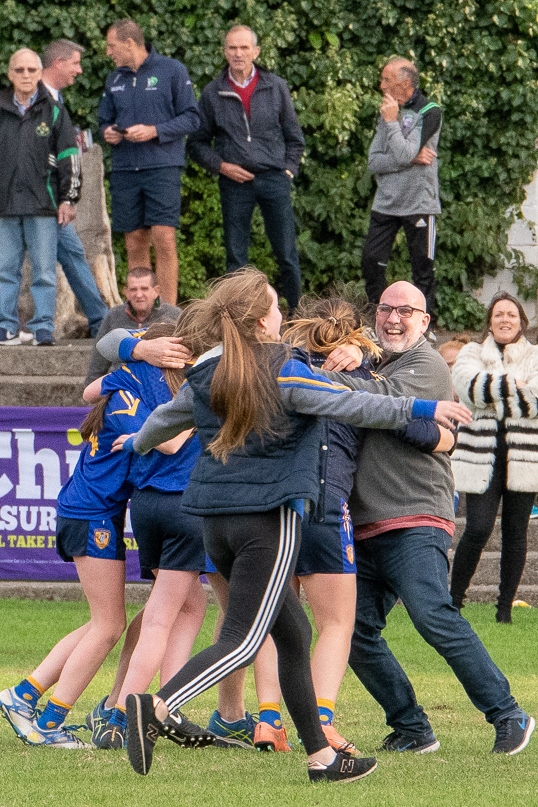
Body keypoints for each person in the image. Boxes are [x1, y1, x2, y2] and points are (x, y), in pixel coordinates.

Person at [112, 268, 469, 783]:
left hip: (216, 523)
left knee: (295, 633)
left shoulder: (209, 372)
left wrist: (138, 443)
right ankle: (158, 706)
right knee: (244, 637)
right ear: (262, 321)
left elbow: (163, 421)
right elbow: (353, 402)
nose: (284, 315)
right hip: (268, 521)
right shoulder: (283, 369)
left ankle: (322, 757)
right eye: (278, 308)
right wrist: (423, 405)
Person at [319, 280, 535, 756]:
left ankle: (508, 713)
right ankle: (413, 727)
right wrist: (357, 358)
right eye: (385, 309)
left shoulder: (427, 364)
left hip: (415, 516)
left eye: (406, 311)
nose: (393, 318)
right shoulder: (372, 360)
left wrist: (350, 369)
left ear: (424, 322)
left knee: (433, 613)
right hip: (367, 522)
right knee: (353, 633)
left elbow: (382, 407)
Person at [187, 25, 304, 312]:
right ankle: (235, 317)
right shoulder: (214, 92)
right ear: (224, 51)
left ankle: (298, 314)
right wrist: (221, 166)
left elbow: (295, 137)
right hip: (235, 182)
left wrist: (287, 171)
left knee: (286, 252)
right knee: (236, 256)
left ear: (256, 51)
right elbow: (197, 143)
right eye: (231, 48)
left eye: (243, 48)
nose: (237, 54)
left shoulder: (275, 86)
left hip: (274, 179)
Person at [450, 292, 538, 624]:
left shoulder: (535, 356)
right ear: (490, 320)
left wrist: (494, 390)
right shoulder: (471, 352)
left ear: (521, 322)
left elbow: (536, 402)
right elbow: (468, 389)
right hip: (480, 458)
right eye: (498, 314)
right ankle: (454, 603)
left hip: (524, 460)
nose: (505, 320)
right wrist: (514, 386)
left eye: (511, 315)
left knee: (516, 532)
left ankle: (504, 611)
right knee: (477, 528)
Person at [98, 18, 199, 305]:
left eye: (111, 46)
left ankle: (167, 312)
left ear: (129, 43)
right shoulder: (114, 78)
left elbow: (192, 117)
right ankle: (142, 312)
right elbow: (104, 120)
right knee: (133, 242)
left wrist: (154, 131)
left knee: (164, 239)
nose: (109, 52)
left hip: (162, 167)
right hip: (125, 169)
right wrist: (107, 132)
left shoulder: (172, 70)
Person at [0, 48, 80, 346]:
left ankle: (42, 327)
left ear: (39, 73)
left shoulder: (55, 109)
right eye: (19, 70)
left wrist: (69, 199)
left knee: (45, 272)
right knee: (5, 271)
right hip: (4, 206)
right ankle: (5, 327)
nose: (25, 76)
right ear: (10, 74)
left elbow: (69, 156)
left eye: (31, 70)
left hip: (43, 205)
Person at [360, 58, 441, 327]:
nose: (381, 85)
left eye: (386, 80)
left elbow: (404, 152)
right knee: (371, 262)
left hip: (419, 203)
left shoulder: (430, 110)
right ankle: (377, 322)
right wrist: (409, 158)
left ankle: (423, 329)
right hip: (386, 203)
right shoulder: (388, 111)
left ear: (405, 83)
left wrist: (395, 128)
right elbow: (374, 161)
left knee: (423, 269)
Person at [41, 39, 108, 338]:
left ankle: (100, 319)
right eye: (75, 63)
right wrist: (64, 196)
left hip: (50, 199)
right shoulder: (37, 101)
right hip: (38, 199)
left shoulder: (54, 99)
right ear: (58, 62)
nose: (80, 71)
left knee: (72, 254)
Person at [85, 267, 180, 384]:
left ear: (156, 291)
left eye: (144, 289)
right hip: (121, 384)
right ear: (127, 293)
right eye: (133, 289)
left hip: (161, 384)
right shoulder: (114, 315)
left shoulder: (174, 316)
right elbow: (98, 363)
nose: (139, 295)